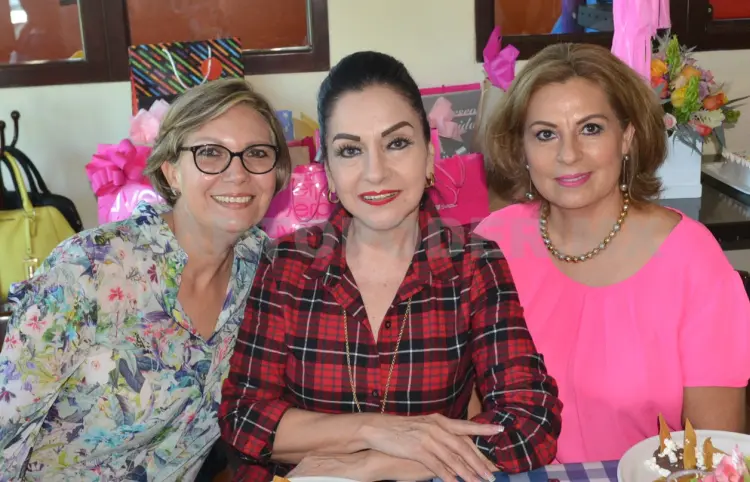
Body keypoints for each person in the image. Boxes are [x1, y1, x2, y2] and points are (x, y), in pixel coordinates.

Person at [219, 51, 562, 482]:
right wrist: (375, 431)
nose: (375, 172)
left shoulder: (474, 264)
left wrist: (377, 463)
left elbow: (532, 421)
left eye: (396, 143)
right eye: (350, 150)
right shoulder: (287, 264)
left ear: (429, 154)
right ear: (327, 171)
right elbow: (243, 418)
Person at [0, 78, 291, 481]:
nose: (237, 173)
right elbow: (6, 434)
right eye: (210, 152)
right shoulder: (88, 268)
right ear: (171, 172)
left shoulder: (264, 273)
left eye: (257, 153)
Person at [475, 43, 750, 464]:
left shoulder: (692, 261)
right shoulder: (491, 244)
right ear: (521, 149)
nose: (568, 154)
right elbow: (465, 409)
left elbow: (715, 455)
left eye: (590, 129)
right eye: (545, 134)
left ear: (627, 137)